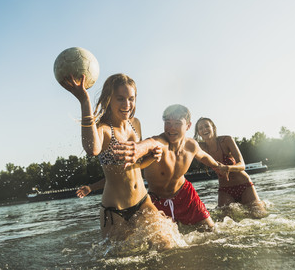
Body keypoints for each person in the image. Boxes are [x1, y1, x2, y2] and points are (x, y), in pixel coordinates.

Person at [61, 73, 174, 248]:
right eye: (120, 99)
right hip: (115, 212)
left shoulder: (135, 124)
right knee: (124, 260)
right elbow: (92, 149)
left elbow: (135, 166)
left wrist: (151, 157)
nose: (127, 105)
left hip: (143, 201)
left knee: (168, 246)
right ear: (109, 100)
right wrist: (85, 102)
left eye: (131, 98)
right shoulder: (104, 129)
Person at [78, 105, 226, 230]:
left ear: (188, 125)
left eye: (177, 123)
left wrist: (219, 166)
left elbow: (204, 156)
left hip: (185, 195)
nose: (171, 128)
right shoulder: (159, 143)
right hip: (157, 201)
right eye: (168, 122)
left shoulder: (191, 145)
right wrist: (137, 149)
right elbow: (149, 144)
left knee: (211, 231)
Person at [194, 117, 268, 218]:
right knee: (223, 220)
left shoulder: (226, 140)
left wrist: (227, 168)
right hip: (225, 190)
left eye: (207, 126)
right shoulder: (199, 147)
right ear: (198, 132)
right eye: (200, 128)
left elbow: (242, 165)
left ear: (213, 128)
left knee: (259, 216)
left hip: (244, 185)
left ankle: (260, 203)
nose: (204, 129)